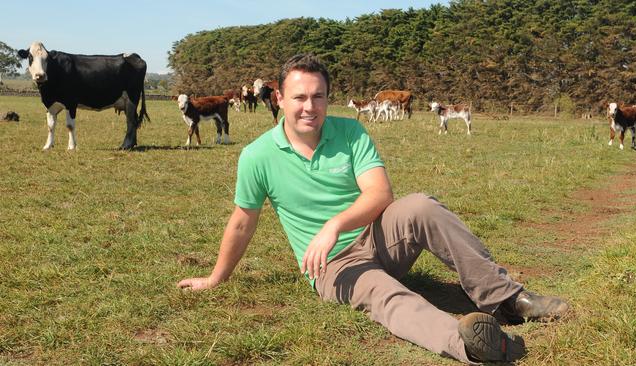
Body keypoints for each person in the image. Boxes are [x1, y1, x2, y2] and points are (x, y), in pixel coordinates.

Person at [177, 54, 569, 364]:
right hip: (331, 265)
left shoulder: (350, 132)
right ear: (279, 98)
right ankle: (474, 344)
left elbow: (380, 194)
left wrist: (336, 223)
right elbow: (242, 222)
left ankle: (508, 300)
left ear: (328, 97)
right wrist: (216, 278)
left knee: (421, 206)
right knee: (386, 295)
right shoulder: (257, 155)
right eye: (299, 97)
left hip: (375, 237)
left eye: (318, 96)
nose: (309, 107)